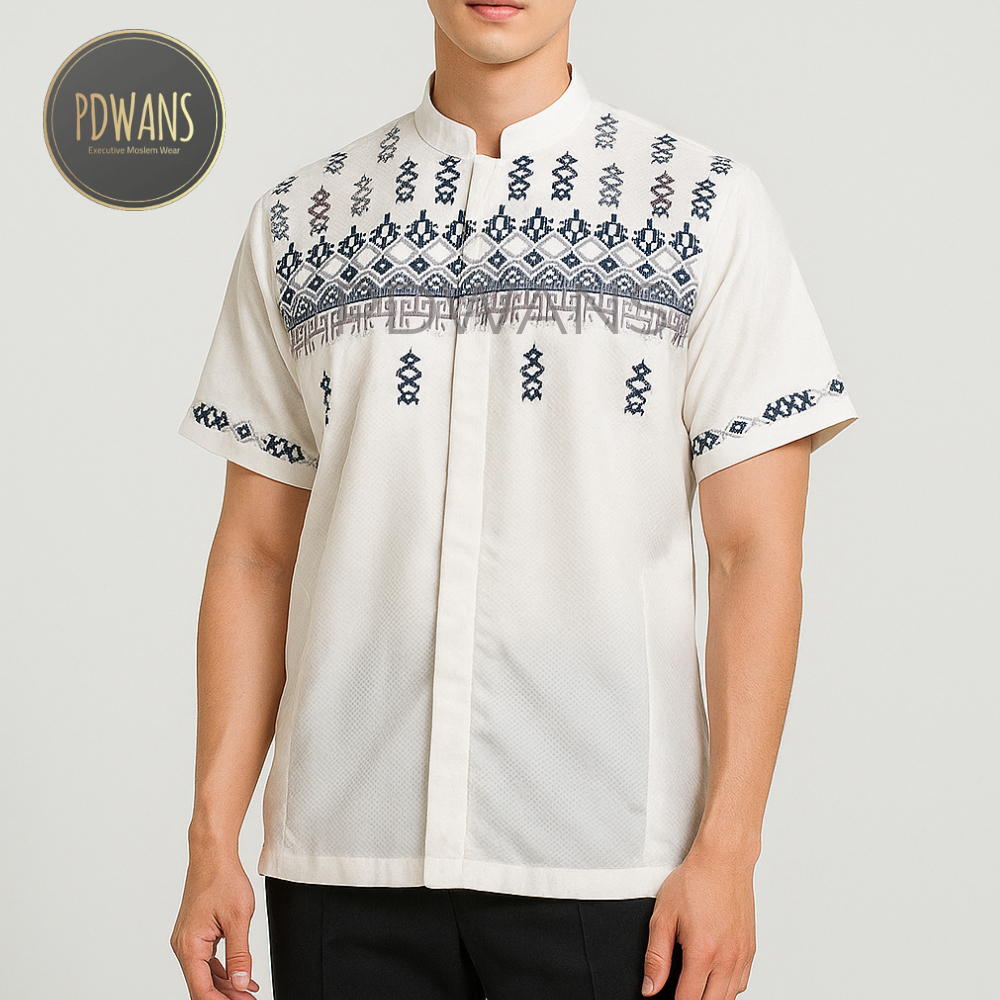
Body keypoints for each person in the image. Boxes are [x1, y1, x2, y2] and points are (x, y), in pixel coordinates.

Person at [170, 1, 859, 998]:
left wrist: (729, 850)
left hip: (609, 862)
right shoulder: (303, 219)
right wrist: (211, 838)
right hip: (342, 858)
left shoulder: (704, 208)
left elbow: (754, 553)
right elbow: (254, 553)